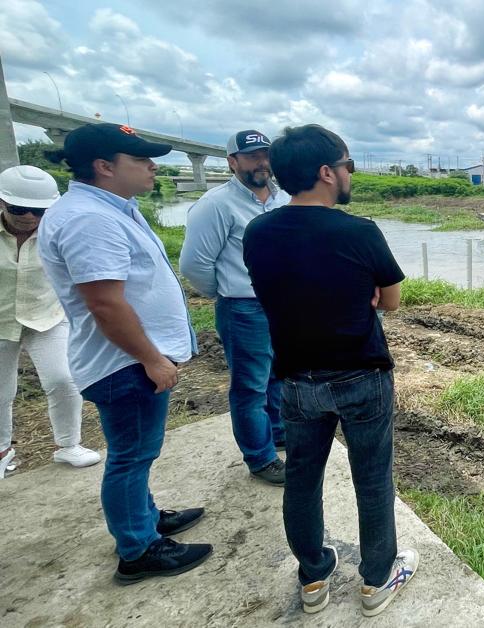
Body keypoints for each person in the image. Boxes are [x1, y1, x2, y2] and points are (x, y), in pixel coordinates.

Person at [243, 125, 417, 616]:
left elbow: (272, 295)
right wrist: (361, 296)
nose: (349, 174)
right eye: (348, 165)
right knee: (373, 477)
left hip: (297, 380)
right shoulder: (357, 230)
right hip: (363, 375)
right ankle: (377, 580)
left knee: (302, 478)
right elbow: (394, 301)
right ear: (326, 172)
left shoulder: (258, 232)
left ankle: (314, 578)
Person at [37, 123, 211, 584]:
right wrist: (152, 358)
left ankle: (146, 518)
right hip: (125, 362)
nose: (153, 167)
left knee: (137, 453)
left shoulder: (111, 208)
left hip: (131, 359)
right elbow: (104, 303)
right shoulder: (88, 219)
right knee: (131, 456)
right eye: (141, 160)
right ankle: (138, 548)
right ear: (104, 166)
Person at [179, 130, 289, 486]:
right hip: (244, 309)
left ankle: (278, 432)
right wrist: (228, 292)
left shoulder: (281, 198)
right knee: (250, 387)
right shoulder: (216, 204)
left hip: (281, 305)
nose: (262, 163)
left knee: (278, 374)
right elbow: (195, 265)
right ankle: (260, 457)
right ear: (233, 162)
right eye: (253, 156)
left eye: (266, 155)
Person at [0, 165, 101, 478]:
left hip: (48, 315)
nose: (30, 217)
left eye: (39, 210)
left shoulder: (57, 229)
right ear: (2, 203)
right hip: (1, 318)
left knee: (62, 378)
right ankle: (2, 449)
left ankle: (68, 445)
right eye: (19, 209)